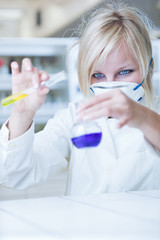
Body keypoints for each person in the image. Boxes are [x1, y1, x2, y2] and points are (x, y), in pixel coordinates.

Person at [0, 2, 160, 195]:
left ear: (148, 68)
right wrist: (22, 114)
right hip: (87, 225)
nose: (110, 85)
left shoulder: (155, 112)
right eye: (98, 75)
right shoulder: (72, 117)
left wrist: (144, 119)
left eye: (124, 72)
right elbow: (17, 175)